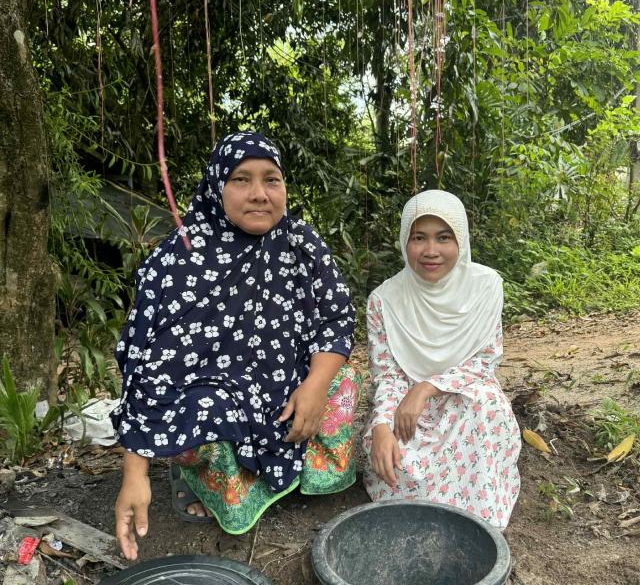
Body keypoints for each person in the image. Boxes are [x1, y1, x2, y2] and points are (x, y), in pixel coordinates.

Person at [113, 132, 359, 560]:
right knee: (200, 412)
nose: (260, 194)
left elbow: (335, 318)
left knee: (343, 380)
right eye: (242, 179)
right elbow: (147, 362)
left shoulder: (299, 242)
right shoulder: (179, 257)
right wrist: (135, 472)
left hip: (287, 381)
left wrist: (316, 385)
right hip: (217, 395)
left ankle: (298, 480)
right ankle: (210, 487)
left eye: (271, 180)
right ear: (216, 187)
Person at [363, 190, 520, 528]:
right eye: (419, 237)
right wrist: (381, 426)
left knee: (486, 408)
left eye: (443, 237)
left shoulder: (486, 286)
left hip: (463, 395)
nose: (430, 251)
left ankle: (478, 521)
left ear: (460, 239)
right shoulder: (383, 300)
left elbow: (483, 361)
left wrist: (425, 388)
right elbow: (387, 376)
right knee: (393, 454)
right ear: (405, 241)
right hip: (404, 405)